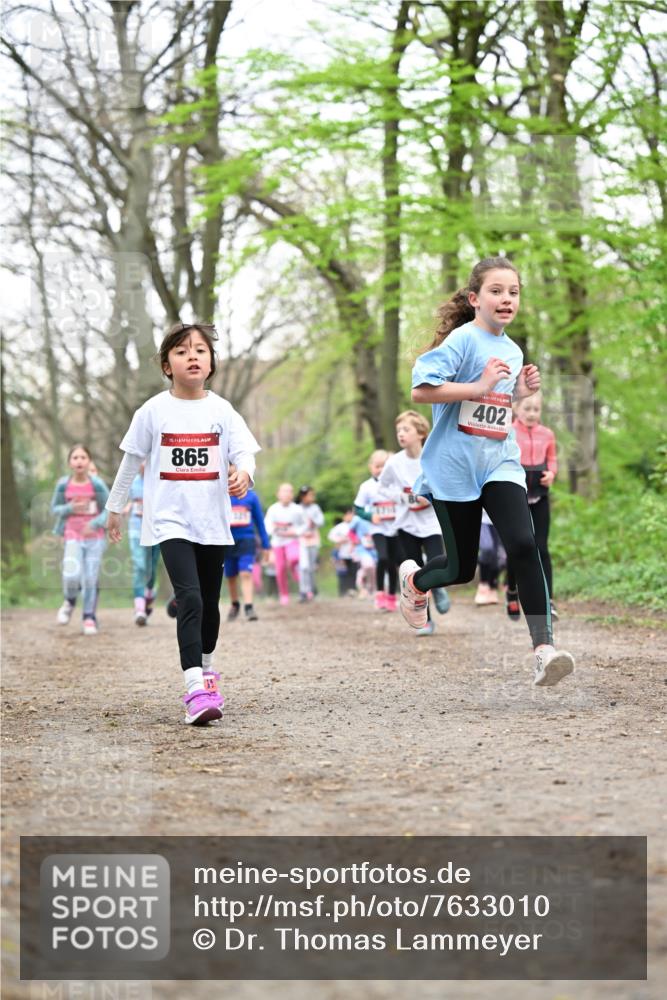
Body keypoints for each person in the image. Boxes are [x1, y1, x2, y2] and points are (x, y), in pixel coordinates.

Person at [399, 257, 575, 687]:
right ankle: (416, 580)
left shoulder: (513, 351)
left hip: (499, 462)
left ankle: (543, 650)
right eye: (497, 291)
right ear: (475, 299)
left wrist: (519, 393)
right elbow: (421, 390)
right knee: (461, 570)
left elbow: (494, 411)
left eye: (513, 292)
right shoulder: (463, 340)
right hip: (454, 469)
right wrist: (478, 385)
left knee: (523, 542)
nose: (506, 299)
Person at [105, 322, 260, 725]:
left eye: (200, 351)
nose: (192, 356)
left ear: (210, 363)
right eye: (181, 351)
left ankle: (207, 671)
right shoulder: (153, 411)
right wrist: (115, 506)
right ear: (166, 365)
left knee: (210, 603)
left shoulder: (222, 410)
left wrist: (245, 472)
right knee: (188, 598)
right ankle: (194, 687)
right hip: (169, 521)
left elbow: (245, 452)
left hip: (213, 522)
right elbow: (131, 461)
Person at [378, 411, 450, 635]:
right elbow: (383, 487)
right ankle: (426, 621)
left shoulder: (433, 457)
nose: (401, 434)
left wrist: (429, 497)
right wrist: (404, 497)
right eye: (399, 430)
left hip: (431, 523)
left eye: (406, 429)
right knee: (414, 572)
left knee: (439, 560)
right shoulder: (394, 462)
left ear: (421, 433)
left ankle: (437, 587)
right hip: (406, 524)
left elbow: (446, 482)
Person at [505, 392, 559, 621]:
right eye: (527, 408)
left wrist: (552, 474)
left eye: (536, 409)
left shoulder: (547, 434)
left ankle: (548, 600)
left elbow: (552, 459)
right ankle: (512, 591)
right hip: (516, 494)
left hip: (539, 494)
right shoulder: (508, 431)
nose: (531, 413)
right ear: (516, 409)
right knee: (518, 546)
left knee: (541, 547)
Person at [51, 444, 109, 635]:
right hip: (72, 536)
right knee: (71, 575)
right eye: (75, 457)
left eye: (83, 457)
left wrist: (94, 524)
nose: (79, 461)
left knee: (90, 579)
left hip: (95, 538)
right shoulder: (63, 484)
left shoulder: (96, 484)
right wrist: (70, 508)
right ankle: (70, 600)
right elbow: (55, 509)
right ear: (69, 462)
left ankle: (88, 617)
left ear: (89, 461)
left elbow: (109, 509)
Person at [353, 450, 400, 611]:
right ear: (370, 467)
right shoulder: (366, 487)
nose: (380, 469)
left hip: (395, 529)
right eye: (377, 466)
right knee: (383, 558)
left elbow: (404, 502)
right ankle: (380, 593)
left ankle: (392, 596)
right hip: (377, 529)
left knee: (393, 563)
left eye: (384, 466)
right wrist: (370, 516)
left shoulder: (396, 484)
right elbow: (357, 509)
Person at [225, 488, 270, 622]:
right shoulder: (221, 494)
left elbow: (260, 522)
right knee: (231, 575)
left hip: (246, 540)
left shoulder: (251, 497)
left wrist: (266, 545)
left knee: (246, 573)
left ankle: (249, 606)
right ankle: (235, 604)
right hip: (226, 540)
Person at [124, 464, 161, 625]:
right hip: (136, 530)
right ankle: (139, 609)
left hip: (156, 531)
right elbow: (128, 500)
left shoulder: (161, 482)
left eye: (149, 460)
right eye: (142, 460)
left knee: (151, 568)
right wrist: (127, 507)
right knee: (140, 567)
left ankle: (150, 594)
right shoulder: (132, 482)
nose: (145, 464)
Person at [296, 485, 325, 602]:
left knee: (311, 567)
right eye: (309, 495)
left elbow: (321, 521)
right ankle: (303, 591)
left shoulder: (315, 508)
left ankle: (312, 589)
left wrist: (313, 521)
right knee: (304, 567)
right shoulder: (296, 508)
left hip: (313, 540)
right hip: (301, 540)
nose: (311, 497)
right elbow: (294, 524)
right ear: (302, 496)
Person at [474, 510, 506, 605]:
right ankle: (483, 585)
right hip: (481, 518)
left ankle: (492, 587)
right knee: (487, 548)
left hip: (498, 518)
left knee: (500, 556)